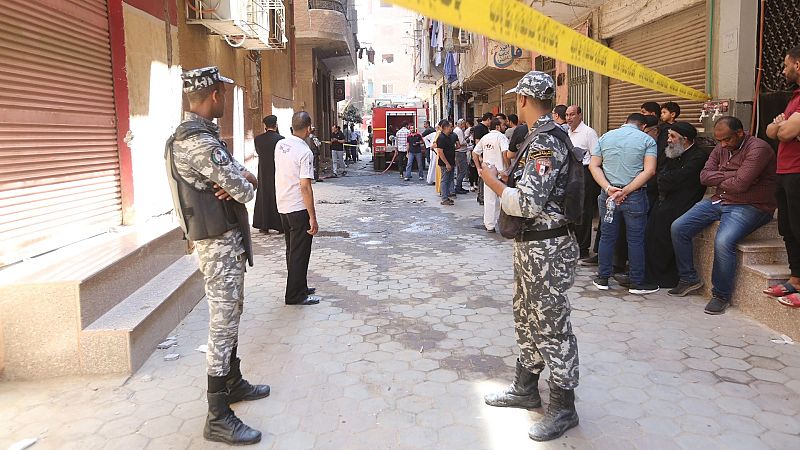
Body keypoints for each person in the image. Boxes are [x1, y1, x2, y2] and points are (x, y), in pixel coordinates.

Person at [166, 67, 268, 445]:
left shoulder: (205, 136)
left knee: (233, 312)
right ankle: (217, 415)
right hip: (217, 246)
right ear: (214, 96)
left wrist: (240, 181)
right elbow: (243, 188)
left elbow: (244, 179)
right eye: (223, 93)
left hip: (225, 242)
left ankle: (233, 382)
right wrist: (240, 182)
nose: (224, 99)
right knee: (222, 323)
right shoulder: (197, 141)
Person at [481, 71, 579, 442]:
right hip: (533, 246)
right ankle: (525, 386)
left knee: (551, 324)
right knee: (525, 314)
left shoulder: (544, 143)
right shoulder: (540, 138)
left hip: (547, 248)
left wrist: (491, 180)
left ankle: (564, 407)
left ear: (523, 100)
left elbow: (526, 203)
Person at [670, 116, 777, 314]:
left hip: (752, 205)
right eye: (719, 140)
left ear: (740, 133)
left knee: (723, 240)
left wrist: (726, 178)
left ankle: (720, 295)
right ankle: (689, 278)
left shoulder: (758, 148)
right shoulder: (721, 147)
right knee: (679, 227)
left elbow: (741, 184)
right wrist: (733, 175)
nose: (722, 144)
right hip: (721, 200)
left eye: (727, 139)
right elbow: (704, 177)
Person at [589, 113, 659, 294]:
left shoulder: (605, 137)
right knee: (635, 240)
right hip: (634, 196)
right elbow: (650, 171)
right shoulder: (647, 141)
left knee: (607, 236)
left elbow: (593, 165)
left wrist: (608, 188)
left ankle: (602, 278)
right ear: (643, 126)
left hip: (609, 196)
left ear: (625, 122)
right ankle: (636, 282)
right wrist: (627, 190)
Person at [644, 122, 708, 288]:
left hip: (686, 199)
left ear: (684, 139)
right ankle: (648, 273)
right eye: (668, 136)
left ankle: (665, 278)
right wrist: (665, 180)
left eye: (672, 136)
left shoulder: (698, 156)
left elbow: (680, 177)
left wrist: (665, 180)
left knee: (665, 227)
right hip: (667, 196)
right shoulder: (671, 152)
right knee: (651, 228)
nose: (669, 140)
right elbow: (661, 175)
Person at [765, 45, 800, 305]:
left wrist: (782, 126)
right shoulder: (794, 98)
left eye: (786, 64)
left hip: (798, 171)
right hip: (785, 170)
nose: (783, 69)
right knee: (787, 227)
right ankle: (795, 279)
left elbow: (784, 133)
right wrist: (781, 126)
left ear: (798, 65)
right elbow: (771, 130)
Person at [275, 112, 322, 306]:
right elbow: (305, 186)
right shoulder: (305, 152)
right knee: (300, 252)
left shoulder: (281, 145)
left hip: (283, 204)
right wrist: (313, 217)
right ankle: (294, 295)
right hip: (297, 207)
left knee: (292, 250)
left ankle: (300, 285)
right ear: (309, 128)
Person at [566, 105, 599, 260]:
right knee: (571, 209)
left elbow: (596, 155)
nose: (569, 118)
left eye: (572, 114)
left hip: (585, 174)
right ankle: (572, 244)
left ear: (580, 115)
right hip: (569, 173)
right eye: (567, 115)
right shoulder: (567, 132)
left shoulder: (588, 133)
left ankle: (583, 247)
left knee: (584, 211)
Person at [472, 118, 508, 232]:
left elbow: (474, 153)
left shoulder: (485, 137)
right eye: (503, 125)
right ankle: (505, 225)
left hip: (488, 174)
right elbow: (505, 153)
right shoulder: (501, 137)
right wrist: (508, 168)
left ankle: (489, 226)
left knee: (489, 200)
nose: (505, 127)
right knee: (505, 200)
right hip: (500, 173)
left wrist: (478, 168)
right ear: (497, 127)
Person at [253, 115, 285, 235]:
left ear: (265, 126)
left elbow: (258, 152)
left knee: (263, 195)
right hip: (277, 171)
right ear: (276, 125)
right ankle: (279, 225)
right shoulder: (281, 139)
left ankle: (264, 225)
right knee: (277, 195)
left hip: (263, 171)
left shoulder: (258, 139)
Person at [473, 113, 493, 205]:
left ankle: (481, 196)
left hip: (486, 155)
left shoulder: (485, 128)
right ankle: (481, 197)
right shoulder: (479, 128)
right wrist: (480, 156)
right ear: (488, 119)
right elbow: (477, 142)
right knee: (482, 176)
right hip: (481, 155)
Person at [436, 120, 457, 205]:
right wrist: (447, 163)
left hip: (451, 162)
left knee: (449, 179)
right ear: (446, 128)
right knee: (445, 180)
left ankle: (447, 196)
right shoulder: (441, 138)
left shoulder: (449, 136)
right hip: (445, 163)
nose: (451, 128)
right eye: (450, 127)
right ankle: (444, 198)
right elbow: (440, 152)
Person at [453, 119, 469, 194]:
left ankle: (459, 186)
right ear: (462, 124)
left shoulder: (457, 130)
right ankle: (458, 187)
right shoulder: (459, 131)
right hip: (460, 152)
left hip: (459, 152)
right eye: (464, 124)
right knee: (463, 170)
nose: (465, 126)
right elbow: (461, 142)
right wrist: (467, 143)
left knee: (460, 170)